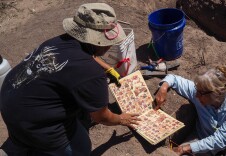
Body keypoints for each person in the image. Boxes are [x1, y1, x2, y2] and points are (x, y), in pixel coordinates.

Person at [0, 3, 140, 156]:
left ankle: (26, 141)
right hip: (31, 122)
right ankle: (40, 145)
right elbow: (102, 116)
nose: (110, 45)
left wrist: (107, 67)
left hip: (9, 102)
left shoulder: (60, 41)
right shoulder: (91, 73)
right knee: (81, 148)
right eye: (108, 42)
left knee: (75, 109)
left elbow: (89, 56)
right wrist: (121, 119)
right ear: (98, 41)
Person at [155, 66, 226, 155]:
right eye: (197, 91)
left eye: (201, 93)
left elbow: (221, 139)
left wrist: (186, 148)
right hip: (202, 140)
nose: (196, 96)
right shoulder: (199, 92)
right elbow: (174, 78)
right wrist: (163, 88)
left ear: (217, 94)